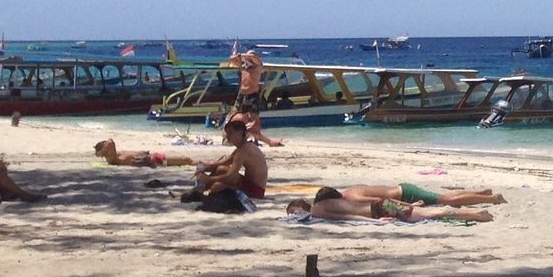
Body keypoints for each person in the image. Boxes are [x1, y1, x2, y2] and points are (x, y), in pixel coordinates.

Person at [289, 186, 492, 223]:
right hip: (381, 206)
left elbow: (346, 217)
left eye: (293, 212)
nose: (293, 216)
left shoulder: (317, 211)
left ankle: (476, 213)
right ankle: (475, 210)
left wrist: (375, 223)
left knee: (428, 215)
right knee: (422, 212)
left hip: (380, 209)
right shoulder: (327, 203)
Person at [193, 117, 268, 201]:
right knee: (221, 169)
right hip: (252, 186)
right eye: (227, 133)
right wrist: (204, 168)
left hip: (255, 191)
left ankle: (200, 190)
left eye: (230, 133)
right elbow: (224, 162)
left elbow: (231, 176)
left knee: (218, 185)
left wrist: (208, 179)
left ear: (240, 132)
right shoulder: (243, 147)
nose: (228, 136)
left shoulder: (243, 151)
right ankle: (200, 189)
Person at [325, 182, 505, 208]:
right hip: (403, 189)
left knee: (446, 201)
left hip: (406, 194)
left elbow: (384, 201)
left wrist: (410, 206)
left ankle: (491, 199)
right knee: (442, 196)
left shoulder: (352, 198)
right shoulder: (350, 189)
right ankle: (482, 193)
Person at [93, 138, 173, 168]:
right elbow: (110, 141)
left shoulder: (113, 155)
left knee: (184, 159)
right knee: (184, 159)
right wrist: (99, 151)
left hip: (151, 157)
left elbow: (109, 142)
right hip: (153, 159)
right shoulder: (111, 158)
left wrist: (100, 151)